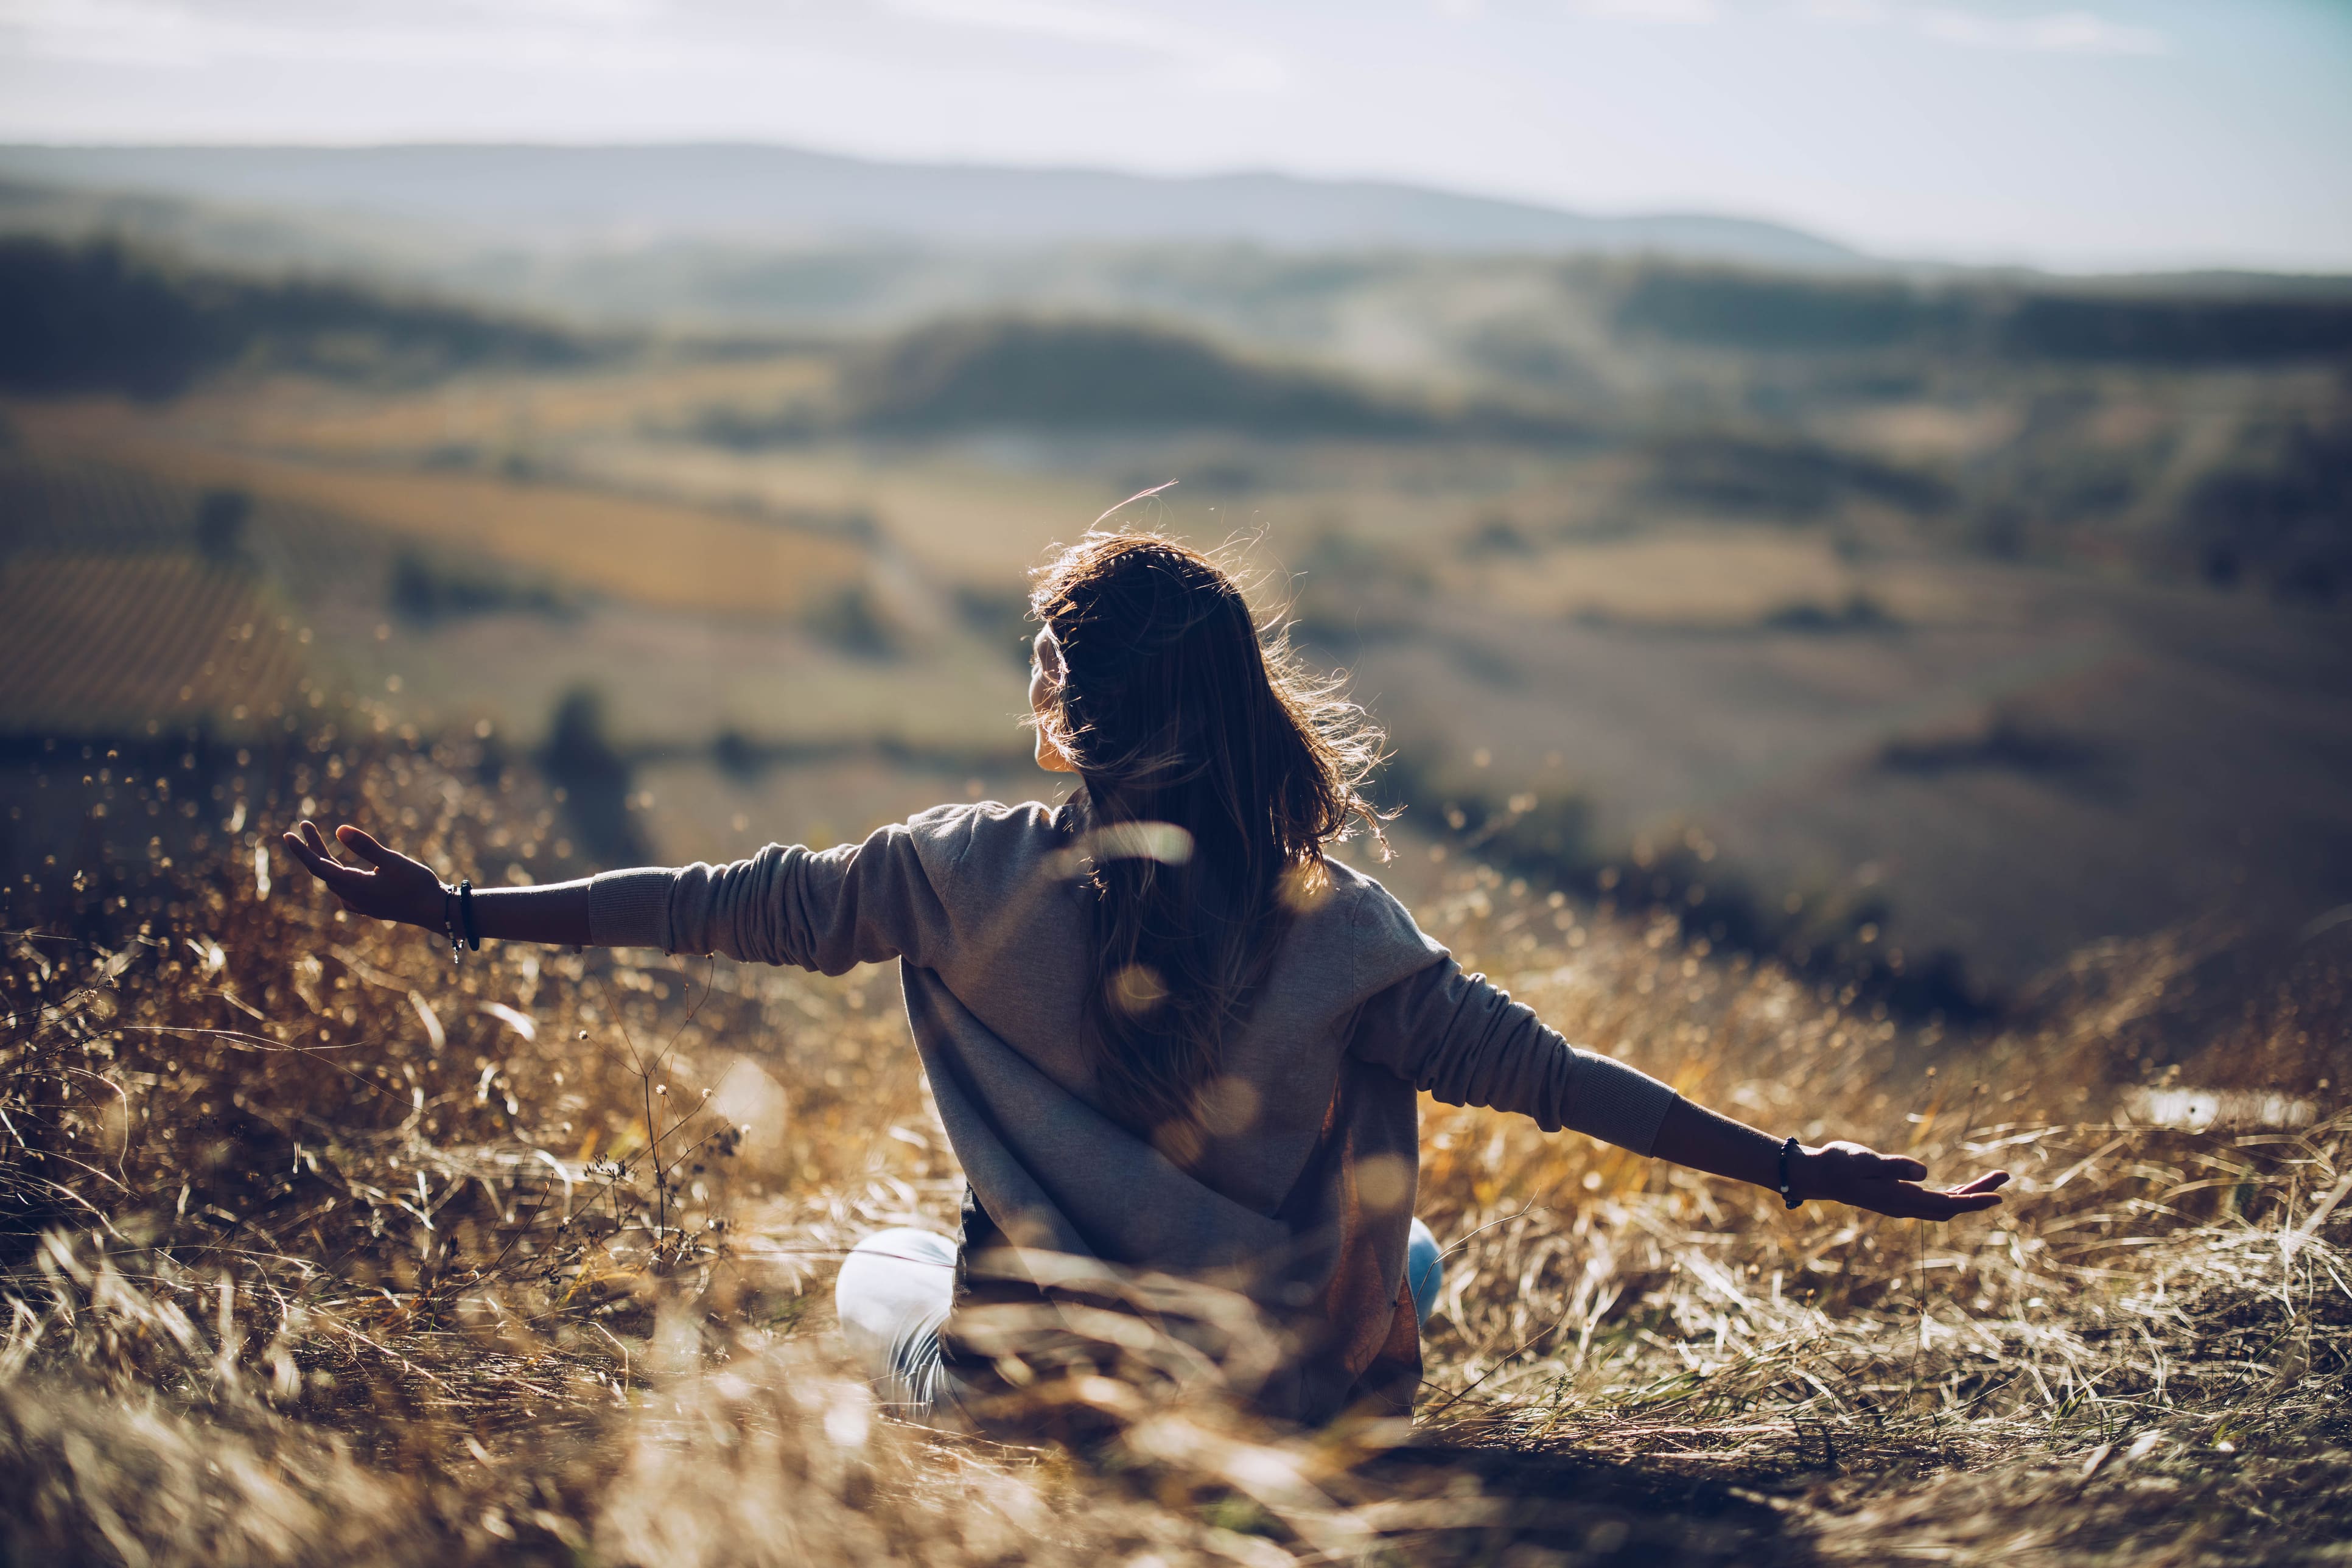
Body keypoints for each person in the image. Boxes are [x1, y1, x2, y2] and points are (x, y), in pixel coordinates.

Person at [282, 531, 2006, 1426]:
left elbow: (714, 903)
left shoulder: (951, 874)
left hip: (1053, 1386)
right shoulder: (1349, 931)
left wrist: (462, 916)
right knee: (1402, 1236)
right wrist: (1800, 1170)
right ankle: (1349, 1369)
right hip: (1289, 1386)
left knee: (875, 1271)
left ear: (1065, 708)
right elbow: (1562, 1080)